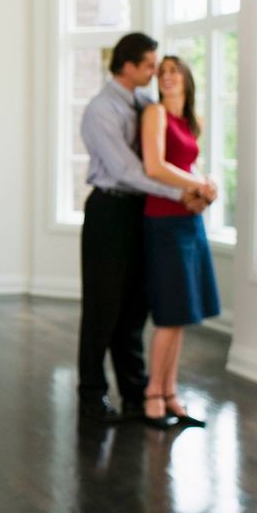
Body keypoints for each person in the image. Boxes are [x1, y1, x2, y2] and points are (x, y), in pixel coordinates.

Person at [77, 32, 209, 425]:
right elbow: (127, 171)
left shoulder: (145, 104)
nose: (156, 72)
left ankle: (136, 393)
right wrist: (180, 192)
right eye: (150, 65)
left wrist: (186, 187)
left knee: (135, 309)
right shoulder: (100, 110)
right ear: (129, 66)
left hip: (142, 212)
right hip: (110, 210)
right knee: (103, 308)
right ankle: (91, 397)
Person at [138, 55, 221, 429]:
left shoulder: (189, 123)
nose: (167, 77)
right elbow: (154, 167)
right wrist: (197, 185)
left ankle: (171, 392)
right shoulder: (155, 113)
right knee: (169, 314)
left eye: (174, 71)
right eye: (162, 72)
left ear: (187, 79)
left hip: (190, 222)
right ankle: (153, 393)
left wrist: (207, 186)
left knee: (183, 314)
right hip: (164, 222)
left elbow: (187, 167)